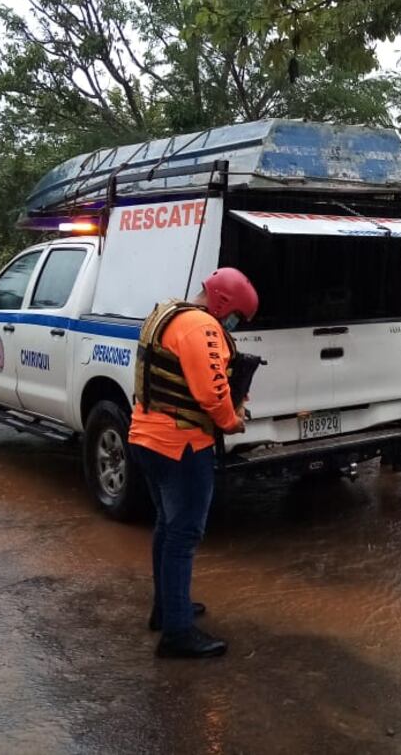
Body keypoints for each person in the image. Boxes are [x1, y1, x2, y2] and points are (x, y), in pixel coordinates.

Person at [128, 267, 259, 659]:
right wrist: (233, 422)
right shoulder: (201, 327)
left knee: (167, 528)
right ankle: (178, 634)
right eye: (235, 315)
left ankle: (168, 609)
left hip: (145, 436)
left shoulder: (169, 313)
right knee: (183, 535)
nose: (234, 323)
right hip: (181, 444)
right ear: (223, 303)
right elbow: (211, 392)